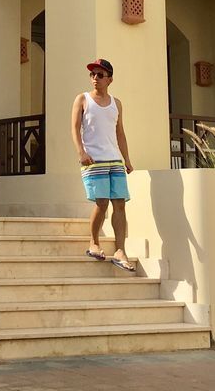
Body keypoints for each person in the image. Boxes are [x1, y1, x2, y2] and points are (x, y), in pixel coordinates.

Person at [70, 57, 135, 272]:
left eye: (100, 74)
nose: (95, 78)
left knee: (120, 203)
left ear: (110, 79)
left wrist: (127, 159)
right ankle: (94, 242)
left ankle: (120, 250)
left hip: (114, 159)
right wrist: (81, 152)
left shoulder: (117, 103)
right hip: (93, 159)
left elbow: (121, 133)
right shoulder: (82, 99)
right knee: (101, 202)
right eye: (92, 74)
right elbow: (75, 128)